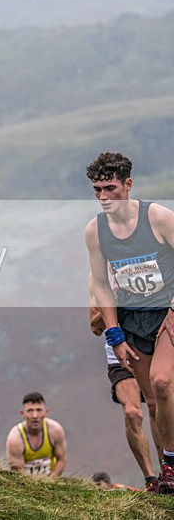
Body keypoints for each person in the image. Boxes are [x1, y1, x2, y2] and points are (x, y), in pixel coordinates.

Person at [85, 152, 174, 494]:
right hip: (132, 320)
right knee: (153, 402)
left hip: (167, 312)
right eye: (97, 190)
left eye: (110, 188)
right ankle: (167, 473)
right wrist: (114, 333)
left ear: (128, 185)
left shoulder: (159, 218)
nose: (104, 197)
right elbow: (100, 284)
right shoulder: (96, 231)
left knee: (164, 382)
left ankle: (170, 461)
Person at [90, 282, 162, 493]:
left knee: (156, 407)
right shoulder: (98, 277)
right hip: (119, 355)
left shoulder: (145, 260)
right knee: (132, 413)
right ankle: (151, 479)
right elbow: (95, 326)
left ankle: (167, 472)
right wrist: (113, 302)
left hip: (150, 347)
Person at [5, 392, 67, 476]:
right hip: (26, 483)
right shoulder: (15, 438)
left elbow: (61, 459)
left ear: (46, 412)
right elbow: (19, 474)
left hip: (51, 479)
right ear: (22, 413)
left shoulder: (55, 431)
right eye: (30, 411)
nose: (35, 416)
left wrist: (51, 483)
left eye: (39, 410)